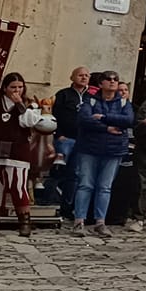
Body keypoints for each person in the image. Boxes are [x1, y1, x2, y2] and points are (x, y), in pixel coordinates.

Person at [0, 72, 50, 237]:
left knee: (18, 185)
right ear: (4, 88)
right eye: (13, 87)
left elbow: (30, 122)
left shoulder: (30, 105)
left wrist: (19, 104)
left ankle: (24, 222)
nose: (17, 90)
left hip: (17, 150)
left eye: (20, 87)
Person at [70, 70, 134, 237]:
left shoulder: (124, 103)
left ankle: (100, 222)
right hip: (89, 148)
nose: (112, 81)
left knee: (105, 187)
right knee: (85, 185)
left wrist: (103, 118)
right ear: (100, 83)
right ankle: (79, 221)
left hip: (113, 150)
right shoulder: (90, 100)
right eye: (108, 79)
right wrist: (107, 128)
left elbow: (128, 120)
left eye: (115, 79)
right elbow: (84, 120)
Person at [48, 67, 89, 220]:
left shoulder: (91, 96)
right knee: (57, 171)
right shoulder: (63, 94)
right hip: (65, 139)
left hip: (83, 141)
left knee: (75, 174)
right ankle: (50, 202)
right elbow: (54, 115)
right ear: (72, 77)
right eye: (80, 75)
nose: (83, 78)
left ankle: (67, 207)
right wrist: (58, 134)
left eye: (86, 75)